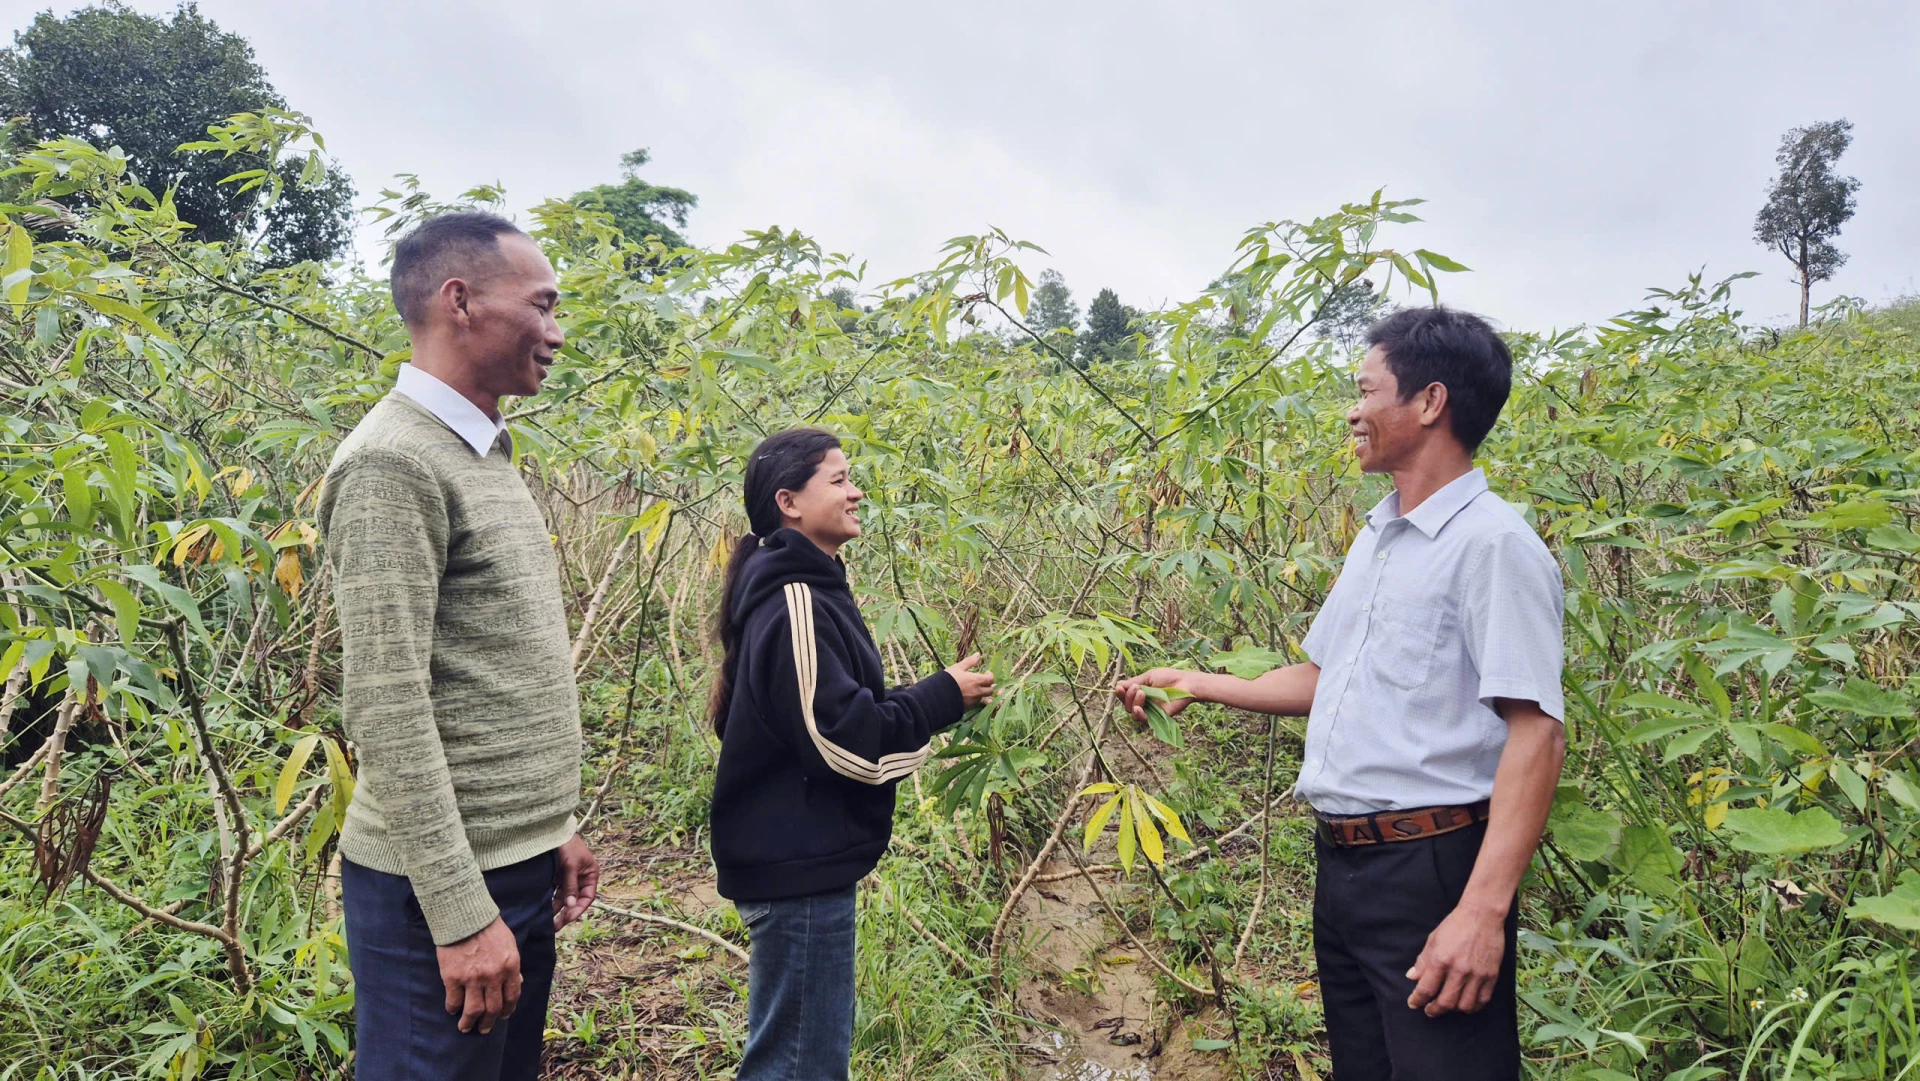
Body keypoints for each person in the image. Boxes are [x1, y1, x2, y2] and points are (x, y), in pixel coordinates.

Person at [1117, 308, 1566, 1081]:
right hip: (1346, 864)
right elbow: (1329, 679)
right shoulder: (1379, 536)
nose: (1352, 411)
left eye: (1365, 390)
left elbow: (1537, 733)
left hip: (1433, 867)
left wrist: (1482, 911)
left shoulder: (1493, 546)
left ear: (1429, 403)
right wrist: (1198, 681)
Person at [317, 210, 599, 1081]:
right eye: (543, 306)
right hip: (433, 894)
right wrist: (458, 911)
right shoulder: (392, 465)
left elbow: (484, 669)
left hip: (512, 868)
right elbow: (388, 706)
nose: (556, 333)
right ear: (460, 300)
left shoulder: (482, 451)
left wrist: (550, 824)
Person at [708, 427, 996, 1081]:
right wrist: (938, 698)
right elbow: (840, 741)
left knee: (794, 1057)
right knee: (798, 1065)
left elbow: (826, 713)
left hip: (802, 863)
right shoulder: (794, 600)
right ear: (788, 501)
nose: (855, 490)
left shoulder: (812, 586)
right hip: (798, 868)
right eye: (837, 479)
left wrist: (935, 697)